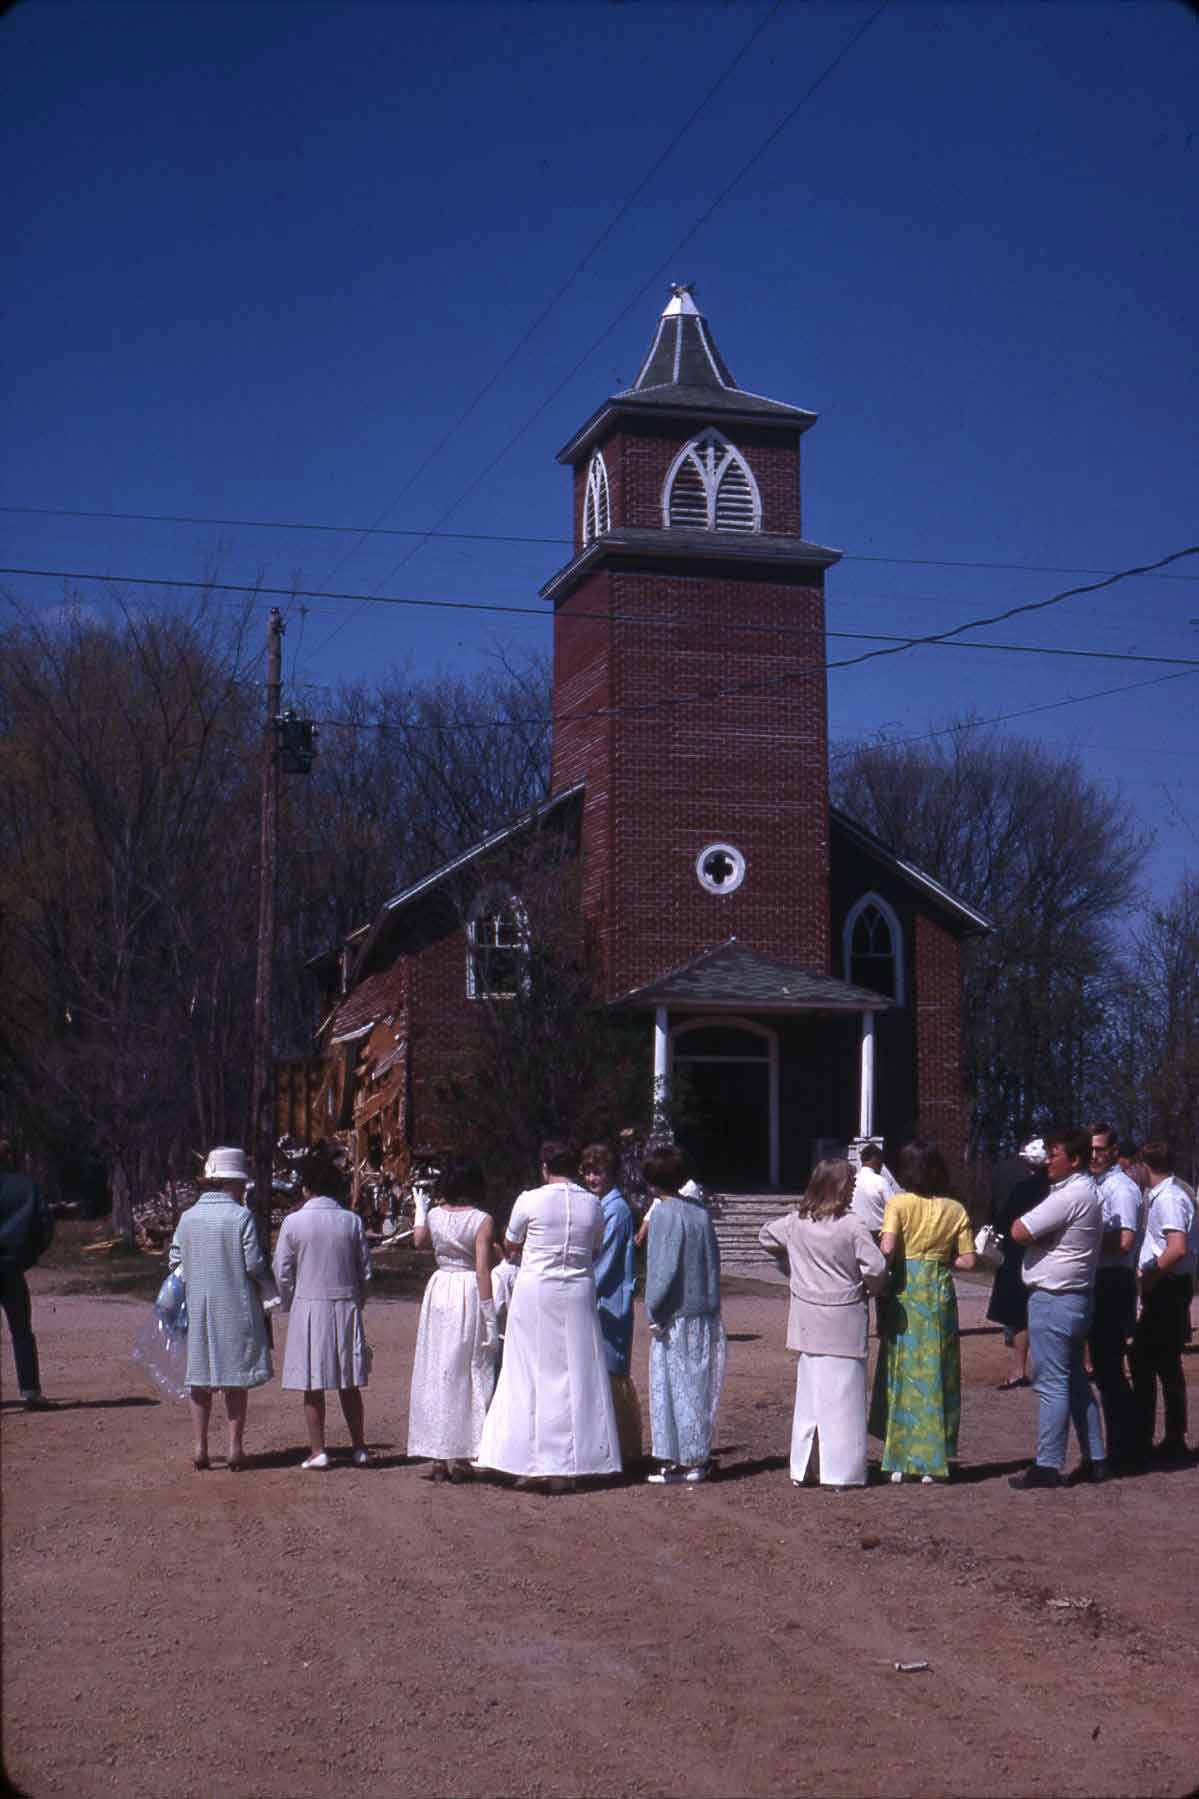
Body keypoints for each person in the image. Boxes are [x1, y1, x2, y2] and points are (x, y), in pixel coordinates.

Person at [476, 1140, 619, 1493]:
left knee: (528, 1372)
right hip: (577, 1291)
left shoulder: (529, 1199)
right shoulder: (593, 1204)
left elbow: (511, 1242)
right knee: (576, 1373)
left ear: (544, 1167)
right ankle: (568, 1465)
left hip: (537, 1291)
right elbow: (595, 1248)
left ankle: (527, 1460)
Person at [759, 1159, 887, 1489]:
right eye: (851, 1183)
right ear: (839, 1187)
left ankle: (804, 1468)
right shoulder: (853, 1226)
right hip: (844, 1323)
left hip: (807, 1323)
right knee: (843, 1401)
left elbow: (765, 1236)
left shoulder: (795, 1223)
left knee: (810, 1399)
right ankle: (841, 1472)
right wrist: (869, 1290)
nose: (854, 1188)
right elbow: (876, 1269)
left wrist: (791, 1266)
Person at [868, 1140, 975, 1484]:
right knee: (937, 1369)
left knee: (902, 1369)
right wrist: (942, 1259)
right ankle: (932, 1460)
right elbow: (969, 1260)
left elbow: (887, 1250)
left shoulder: (898, 1204)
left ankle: (899, 1458)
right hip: (939, 1292)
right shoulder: (955, 1209)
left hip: (905, 1292)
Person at [1008, 1127, 1105, 1489]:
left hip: (1055, 1296)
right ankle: (1095, 1456)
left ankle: (1048, 1463)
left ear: (1075, 1160)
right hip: (1077, 1296)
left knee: (1051, 1383)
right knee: (1075, 1380)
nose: (1047, 1161)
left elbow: (1019, 1230)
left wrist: (1039, 1236)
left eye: (1054, 1154)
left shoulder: (1069, 1195)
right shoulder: (1088, 1191)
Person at [169, 1146, 273, 1471]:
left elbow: (175, 1260)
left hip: (198, 1306)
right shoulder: (241, 1217)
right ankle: (234, 1447)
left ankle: (200, 1446)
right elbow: (253, 1263)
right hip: (235, 1305)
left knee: (199, 1377)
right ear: (233, 1182)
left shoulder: (188, 1218)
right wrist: (267, 1289)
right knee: (235, 1378)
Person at [273, 1142, 372, 1470]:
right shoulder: (352, 1221)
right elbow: (365, 1270)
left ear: (306, 1187)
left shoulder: (293, 1222)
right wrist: (358, 1299)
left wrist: (288, 1301)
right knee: (348, 1381)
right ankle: (359, 1447)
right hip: (345, 1304)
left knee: (313, 1382)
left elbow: (282, 1270)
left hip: (309, 1305)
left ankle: (318, 1451)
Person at [407, 1156, 498, 1482]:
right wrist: (489, 1314)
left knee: (438, 1368)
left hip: (440, 1289)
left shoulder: (435, 1215)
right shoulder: (482, 1219)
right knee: (464, 1369)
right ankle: (459, 1452)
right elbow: (483, 1270)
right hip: (467, 1291)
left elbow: (419, 1241)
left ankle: (438, 1454)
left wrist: (420, 1211)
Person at [643, 1145, 726, 1486]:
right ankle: (693, 1454)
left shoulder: (665, 1213)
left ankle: (686, 1458)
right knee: (696, 1386)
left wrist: (653, 1308)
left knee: (674, 1388)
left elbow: (663, 1268)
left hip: (675, 1315)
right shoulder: (699, 1212)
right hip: (703, 1312)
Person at [1130, 1140, 1196, 1463]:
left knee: (1150, 1361)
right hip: (1168, 1285)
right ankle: (1169, 1438)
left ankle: (1162, 1439)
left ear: (1145, 1165)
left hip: (1167, 1287)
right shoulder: (1167, 1195)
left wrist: (1149, 1275)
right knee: (1163, 1363)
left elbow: (1177, 1248)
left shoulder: (1168, 1198)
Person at [580, 1142, 642, 1466]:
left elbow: (605, 1262)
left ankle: (621, 1448)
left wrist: (583, 1288)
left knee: (611, 1371)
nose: (592, 1178)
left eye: (598, 1172)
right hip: (601, 1297)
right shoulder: (600, 1206)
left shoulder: (615, 1210)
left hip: (609, 1301)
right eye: (588, 1172)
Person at [1087, 1121, 1143, 1468]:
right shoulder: (1099, 1184)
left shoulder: (1120, 1188)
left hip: (1114, 1280)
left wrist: (1082, 1240)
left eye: (1100, 1149)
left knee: (1110, 1369)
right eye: (1090, 1149)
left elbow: (1124, 1241)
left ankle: (1126, 1449)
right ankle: (1124, 1447)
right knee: (1106, 1370)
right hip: (1102, 1278)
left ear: (1114, 1151)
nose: (1094, 1155)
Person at [985, 1137, 1049, 1390]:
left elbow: (1002, 1219)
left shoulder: (1020, 1185)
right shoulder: (1058, 1189)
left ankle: (1019, 1369)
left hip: (1019, 1254)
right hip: (1048, 1255)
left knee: (1019, 1315)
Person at [0, 1138, 55, 1409]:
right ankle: (30, 1390)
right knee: (21, 1330)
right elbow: (44, 1225)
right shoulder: (25, 1187)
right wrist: (29, 1256)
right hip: (10, 1266)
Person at [848, 1142, 896, 1237]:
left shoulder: (852, 1181)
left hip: (854, 1234)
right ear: (876, 1160)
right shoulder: (881, 1182)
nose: (882, 1165)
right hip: (876, 1235)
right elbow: (894, 1208)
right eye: (881, 1161)